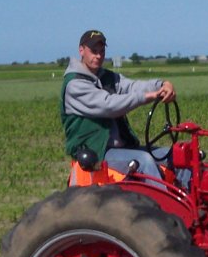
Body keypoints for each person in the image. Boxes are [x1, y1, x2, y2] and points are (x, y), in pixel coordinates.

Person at [60, 29, 176, 178]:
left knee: (173, 155)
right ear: (81, 50)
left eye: (102, 51)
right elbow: (109, 105)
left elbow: (131, 86)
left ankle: (190, 192)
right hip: (97, 151)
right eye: (94, 51)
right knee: (144, 160)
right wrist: (146, 97)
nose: (98, 56)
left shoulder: (107, 77)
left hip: (122, 148)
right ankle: (161, 194)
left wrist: (162, 85)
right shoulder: (75, 84)